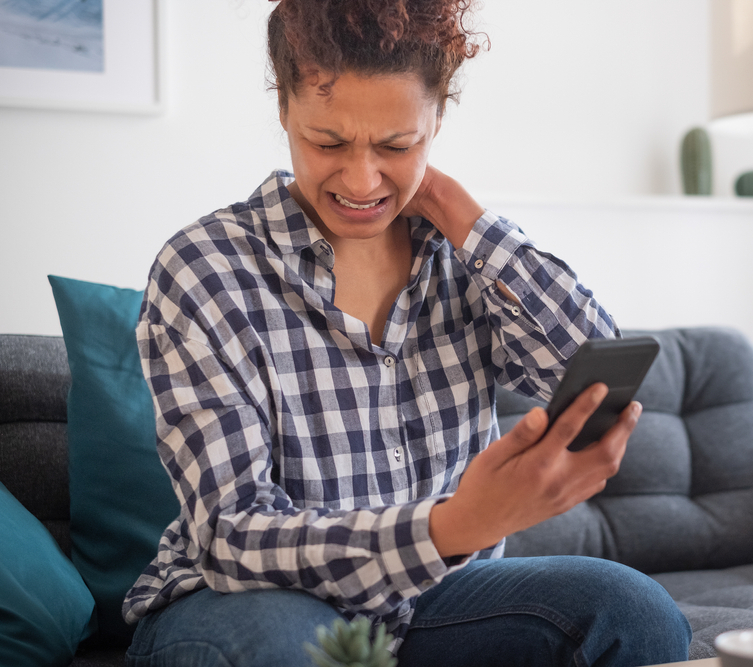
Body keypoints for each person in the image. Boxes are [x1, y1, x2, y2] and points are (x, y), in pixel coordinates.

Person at [122, 1, 692, 665]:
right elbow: (232, 534)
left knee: (634, 613)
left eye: (396, 146)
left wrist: (457, 210)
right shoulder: (205, 267)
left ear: (436, 120)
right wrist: (451, 527)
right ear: (283, 108)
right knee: (291, 646)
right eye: (327, 142)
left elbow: (591, 366)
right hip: (245, 603)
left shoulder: (462, 256)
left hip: (432, 598)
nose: (362, 179)